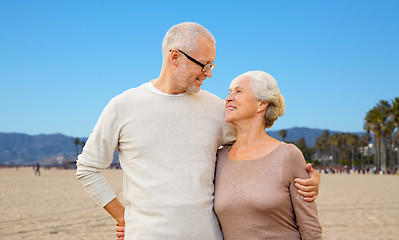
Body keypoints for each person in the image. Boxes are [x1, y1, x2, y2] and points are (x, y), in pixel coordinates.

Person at [76, 22, 320, 240]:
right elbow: (88, 168)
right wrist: (123, 217)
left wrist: (306, 178)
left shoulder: (217, 109)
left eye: (212, 64)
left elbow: (258, 148)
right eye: (204, 64)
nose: (209, 73)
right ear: (174, 57)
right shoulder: (123, 106)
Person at [214, 71, 322, 239]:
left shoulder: (288, 156)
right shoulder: (218, 158)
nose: (228, 98)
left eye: (238, 91)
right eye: (229, 92)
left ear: (261, 104)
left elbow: (310, 228)